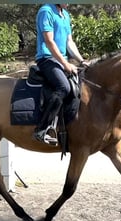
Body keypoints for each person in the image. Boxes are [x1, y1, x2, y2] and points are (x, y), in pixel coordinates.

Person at [33, 4, 89, 145]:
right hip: (47, 58)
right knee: (63, 87)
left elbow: (69, 42)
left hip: (60, 59)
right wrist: (65, 64)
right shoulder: (46, 11)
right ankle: (42, 129)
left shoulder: (65, 14)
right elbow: (49, 41)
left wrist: (81, 60)